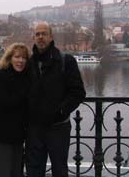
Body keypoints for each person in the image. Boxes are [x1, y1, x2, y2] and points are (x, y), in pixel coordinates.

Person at [26, 22, 86, 177]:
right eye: (37, 34)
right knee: (34, 171)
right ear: (34, 37)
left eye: (44, 34)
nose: (40, 37)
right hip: (34, 128)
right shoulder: (29, 63)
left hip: (58, 127)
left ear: (51, 37)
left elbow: (78, 92)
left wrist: (60, 111)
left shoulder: (66, 61)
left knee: (59, 171)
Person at [0, 42, 31, 177]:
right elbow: (4, 101)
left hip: (18, 134)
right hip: (2, 133)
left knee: (16, 172)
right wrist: (25, 95)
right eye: (17, 57)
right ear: (9, 58)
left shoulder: (26, 76)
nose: (21, 61)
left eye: (24, 58)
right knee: (2, 172)